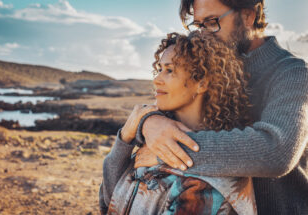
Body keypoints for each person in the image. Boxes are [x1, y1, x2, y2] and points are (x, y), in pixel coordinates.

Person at [133, 0, 308, 214]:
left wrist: (169, 153)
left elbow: (277, 151)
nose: (203, 35)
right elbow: (172, 106)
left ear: (248, 16)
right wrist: (149, 122)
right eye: (199, 25)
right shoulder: (207, 68)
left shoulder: (292, 73)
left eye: (211, 22)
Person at [100, 31, 257, 214]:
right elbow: (108, 202)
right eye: (159, 69)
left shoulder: (204, 184)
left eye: (169, 70)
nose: (157, 79)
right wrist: (125, 139)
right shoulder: (157, 140)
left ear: (202, 82)